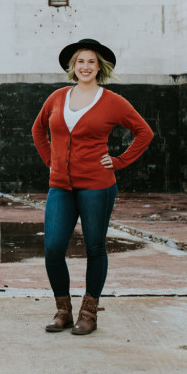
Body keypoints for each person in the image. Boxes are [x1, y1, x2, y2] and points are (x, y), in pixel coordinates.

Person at [31, 38, 153, 336]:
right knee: (53, 248)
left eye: (91, 62)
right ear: (73, 67)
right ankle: (63, 311)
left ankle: (89, 313)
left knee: (95, 247)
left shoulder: (113, 102)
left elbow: (144, 132)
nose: (85, 67)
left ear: (100, 68)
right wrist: (51, 161)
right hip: (60, 186)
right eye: (80, 61)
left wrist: (119, 161)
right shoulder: (57, 97)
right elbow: (38, 129)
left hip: (98, 186)